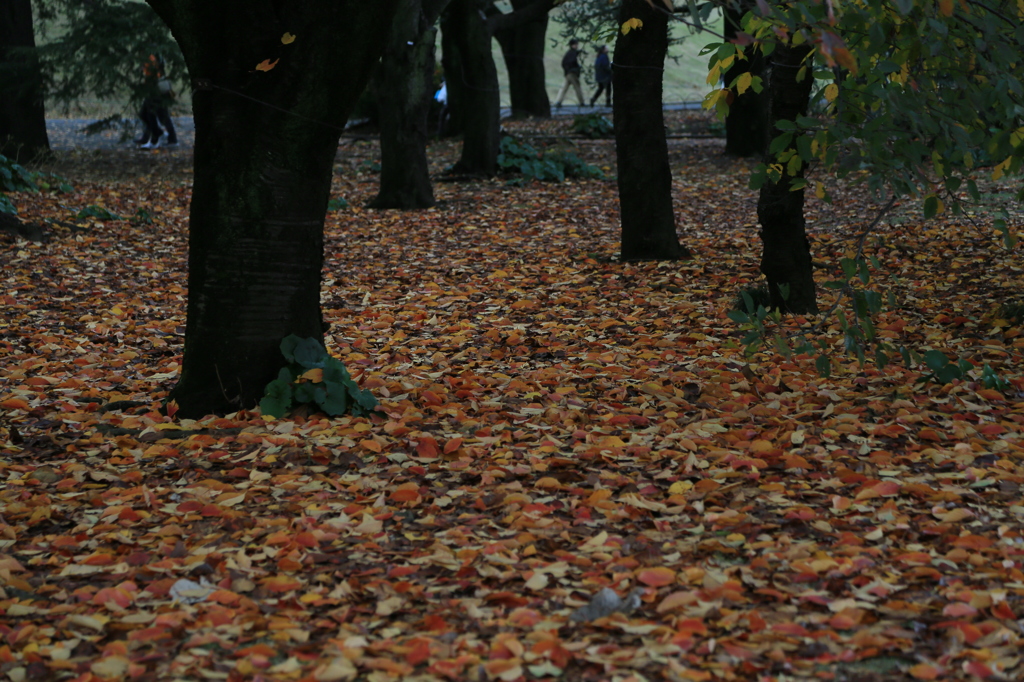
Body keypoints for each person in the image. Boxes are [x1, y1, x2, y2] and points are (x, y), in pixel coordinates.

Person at [136, 52, 178, 149]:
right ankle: (164, 137)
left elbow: (154, 71)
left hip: (156, 88)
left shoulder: (152, 56)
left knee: (152, 114)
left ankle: (157, 138)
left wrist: (145, 70)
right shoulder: (151, 55)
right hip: (154, 87)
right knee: (151, 114)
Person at [554, 39, 584, 108]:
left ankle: (558, 101)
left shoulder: (569, 53)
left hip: (568, 73)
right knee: (577, 87)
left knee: (564, 88)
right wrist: (575, 69)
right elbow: (571, 62)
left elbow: (563, 63)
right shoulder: (572, 53)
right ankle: (581, 102)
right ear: (572, 45)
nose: (577, 46)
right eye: (576, 44)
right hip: (572, 73)